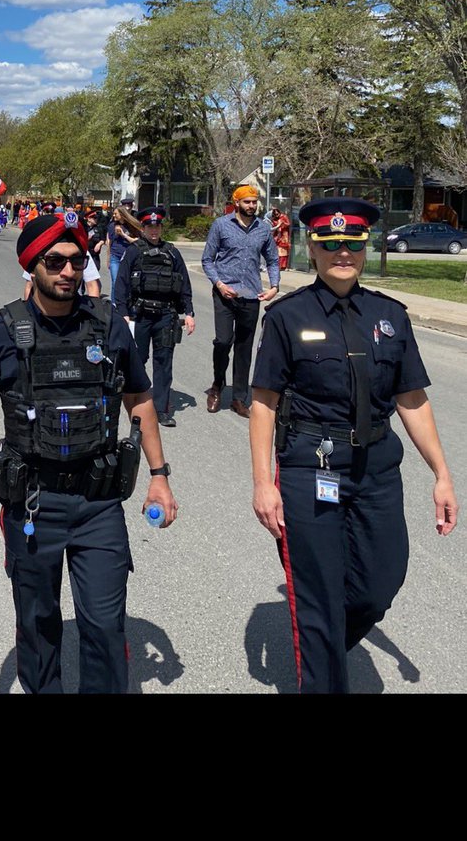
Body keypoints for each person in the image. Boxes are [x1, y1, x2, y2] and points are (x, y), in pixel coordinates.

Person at [0, 211, 177, 695]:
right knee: (37, 624)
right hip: (31, 502)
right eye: (55, 261)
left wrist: (160, 474)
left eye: (77, 260)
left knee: (106, 626)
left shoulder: (110, 327)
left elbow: (140, 399)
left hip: (98, 503)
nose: (69, 270)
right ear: (32, 265)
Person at [249, 197, 459, 695]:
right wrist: (263, 483)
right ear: (313, 250)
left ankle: (318, 643)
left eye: (352, 244)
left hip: (376, 470)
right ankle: (320, 663)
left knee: (379, 583)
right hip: (309, 468)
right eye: (331, 244)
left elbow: (412, 399)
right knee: (319, 597)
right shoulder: (285, 317)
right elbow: (263, 405)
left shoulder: (390, 315)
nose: (343, 253)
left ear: (364, 248)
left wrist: (442, 475)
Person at [201, 184, 280, 418]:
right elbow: (208, 260)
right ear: (236, 203)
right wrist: (219, 284)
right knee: (223, 342)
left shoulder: (263, 230)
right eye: (247, 202)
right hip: (225, 293)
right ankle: (217, 386)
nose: (252, 206)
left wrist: (275, 286)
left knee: (244, 348)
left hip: (251, 295)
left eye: (254, 202)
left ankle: (238, 397)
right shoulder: (221, 225)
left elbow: (273, 259)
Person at [114, 206, 195, 427]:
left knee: (164, 362)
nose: (154, 230)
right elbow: (121, 283)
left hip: (165, 315)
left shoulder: (172, 252)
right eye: (150, 226)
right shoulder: (134, 251)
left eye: (157, 226)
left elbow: (184, 284)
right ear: (143, 227)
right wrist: (122, 313)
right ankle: (134, 402)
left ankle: (161, 409)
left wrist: (189, 312)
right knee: (137, 360)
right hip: (139, 315)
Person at [107, 205, 142, 304]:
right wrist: (108, 258)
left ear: (122, 214)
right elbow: (109, 242)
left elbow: (137, 241)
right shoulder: (112, 225)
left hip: (128, 257)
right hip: (115, 257)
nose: (114, 216)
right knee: (115, 281)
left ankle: (127, 304)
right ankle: (114, 304)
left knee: (128, 282)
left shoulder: (132, 225)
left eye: (115, 214)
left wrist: (123, 235)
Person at [270, 207, 291, 271]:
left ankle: (284, 266)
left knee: (284, 251)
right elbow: (273, 227)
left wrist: (282, 223)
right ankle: (278, 265)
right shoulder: (274, 219)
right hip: (277, 236)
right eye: (275, 214)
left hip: (284, 235)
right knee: (278, 252)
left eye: (278, 213)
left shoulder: (284, 217)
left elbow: (288, 224)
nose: (277, 215)